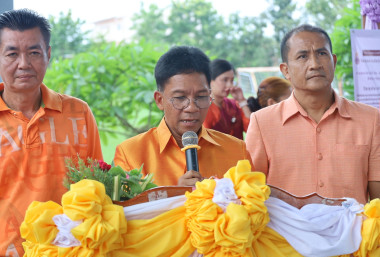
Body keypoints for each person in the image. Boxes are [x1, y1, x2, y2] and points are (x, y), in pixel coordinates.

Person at [0, 9, 103, 257]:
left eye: (34, 52)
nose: (23, 63)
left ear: (48, 54)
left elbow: (95, 186)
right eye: (12, 54)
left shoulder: (78, 113)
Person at [245, 24, 380, 204]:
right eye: (302, 56)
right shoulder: (262, 123)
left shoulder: (370, 119)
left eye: (322, 54)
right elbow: (251, 195)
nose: (315, 64)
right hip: (285, 232)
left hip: (353, 232)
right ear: (285, 70)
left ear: (334, 61)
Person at [114, 46, 251, 187]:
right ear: (160, 100)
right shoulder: (130, 155)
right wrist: (176, 197)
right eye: (180, 97)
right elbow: (125, 209)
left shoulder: (237, 152)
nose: (192, 107)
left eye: (201, 96)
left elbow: (253, 205)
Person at [203, 59, 251, 140]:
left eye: (232, 80)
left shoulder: (234, 104)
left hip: (239, 152)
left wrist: (242, 101)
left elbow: (251, 130)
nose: (230, 85)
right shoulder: (203, 109)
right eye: (225, 80)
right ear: (210, 80)